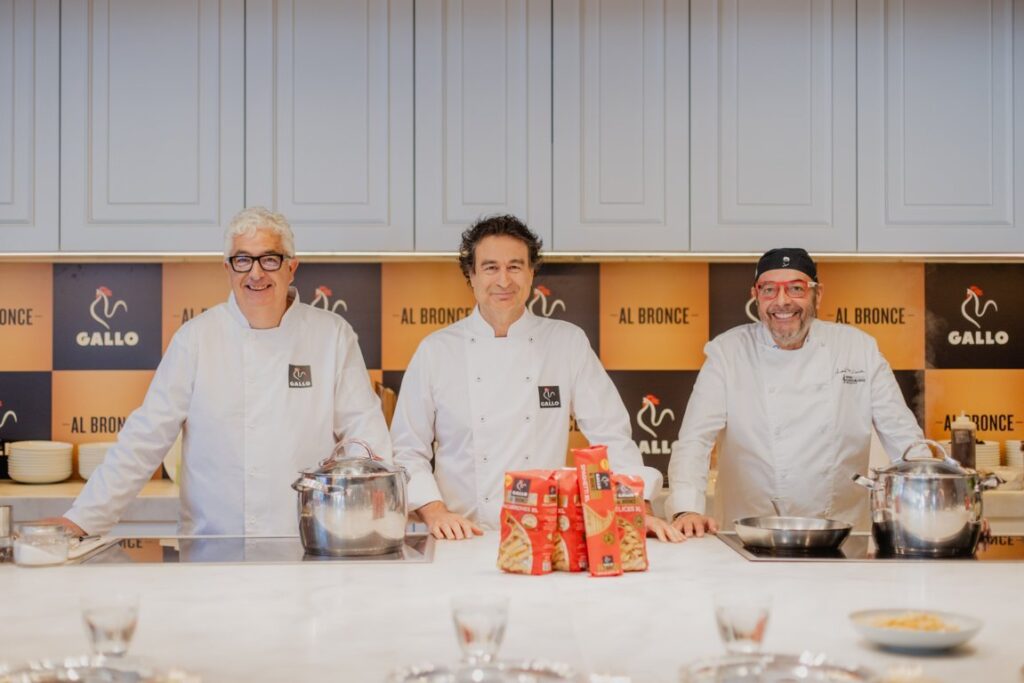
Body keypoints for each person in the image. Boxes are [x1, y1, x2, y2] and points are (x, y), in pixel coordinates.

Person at [51, 207, 391, 537]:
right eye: (242, 260)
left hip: (308, 539)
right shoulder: (196, 338)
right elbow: (145, 438)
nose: (255, 273)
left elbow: (363, 431)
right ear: (228, 268)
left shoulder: (332, 335)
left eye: (269, 259)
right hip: (212, 544)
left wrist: (375, 510)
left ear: (291, 267)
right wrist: (83, 519)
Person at [390, 214, 683, 543]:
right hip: (460, 539)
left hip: (543, 537)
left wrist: (637, 509)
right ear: (471, 275)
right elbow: (407, 450)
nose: (504, 280)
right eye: (490, 267)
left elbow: (611, 436)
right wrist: (434, 512)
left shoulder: (566, 343)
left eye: (515, 266)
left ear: (531, 273)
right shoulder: (436, 351)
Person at [666, 247, 924, 537]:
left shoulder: (858, 349)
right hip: (749, 535)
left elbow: (903, 436)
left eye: (796, 288)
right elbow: (695, 439)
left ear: (817, 294)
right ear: (755, 295)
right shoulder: (727, 353)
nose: (782, 301)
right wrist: (686, 508)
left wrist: (931, 489)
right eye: (769, 289)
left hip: (840, 537)